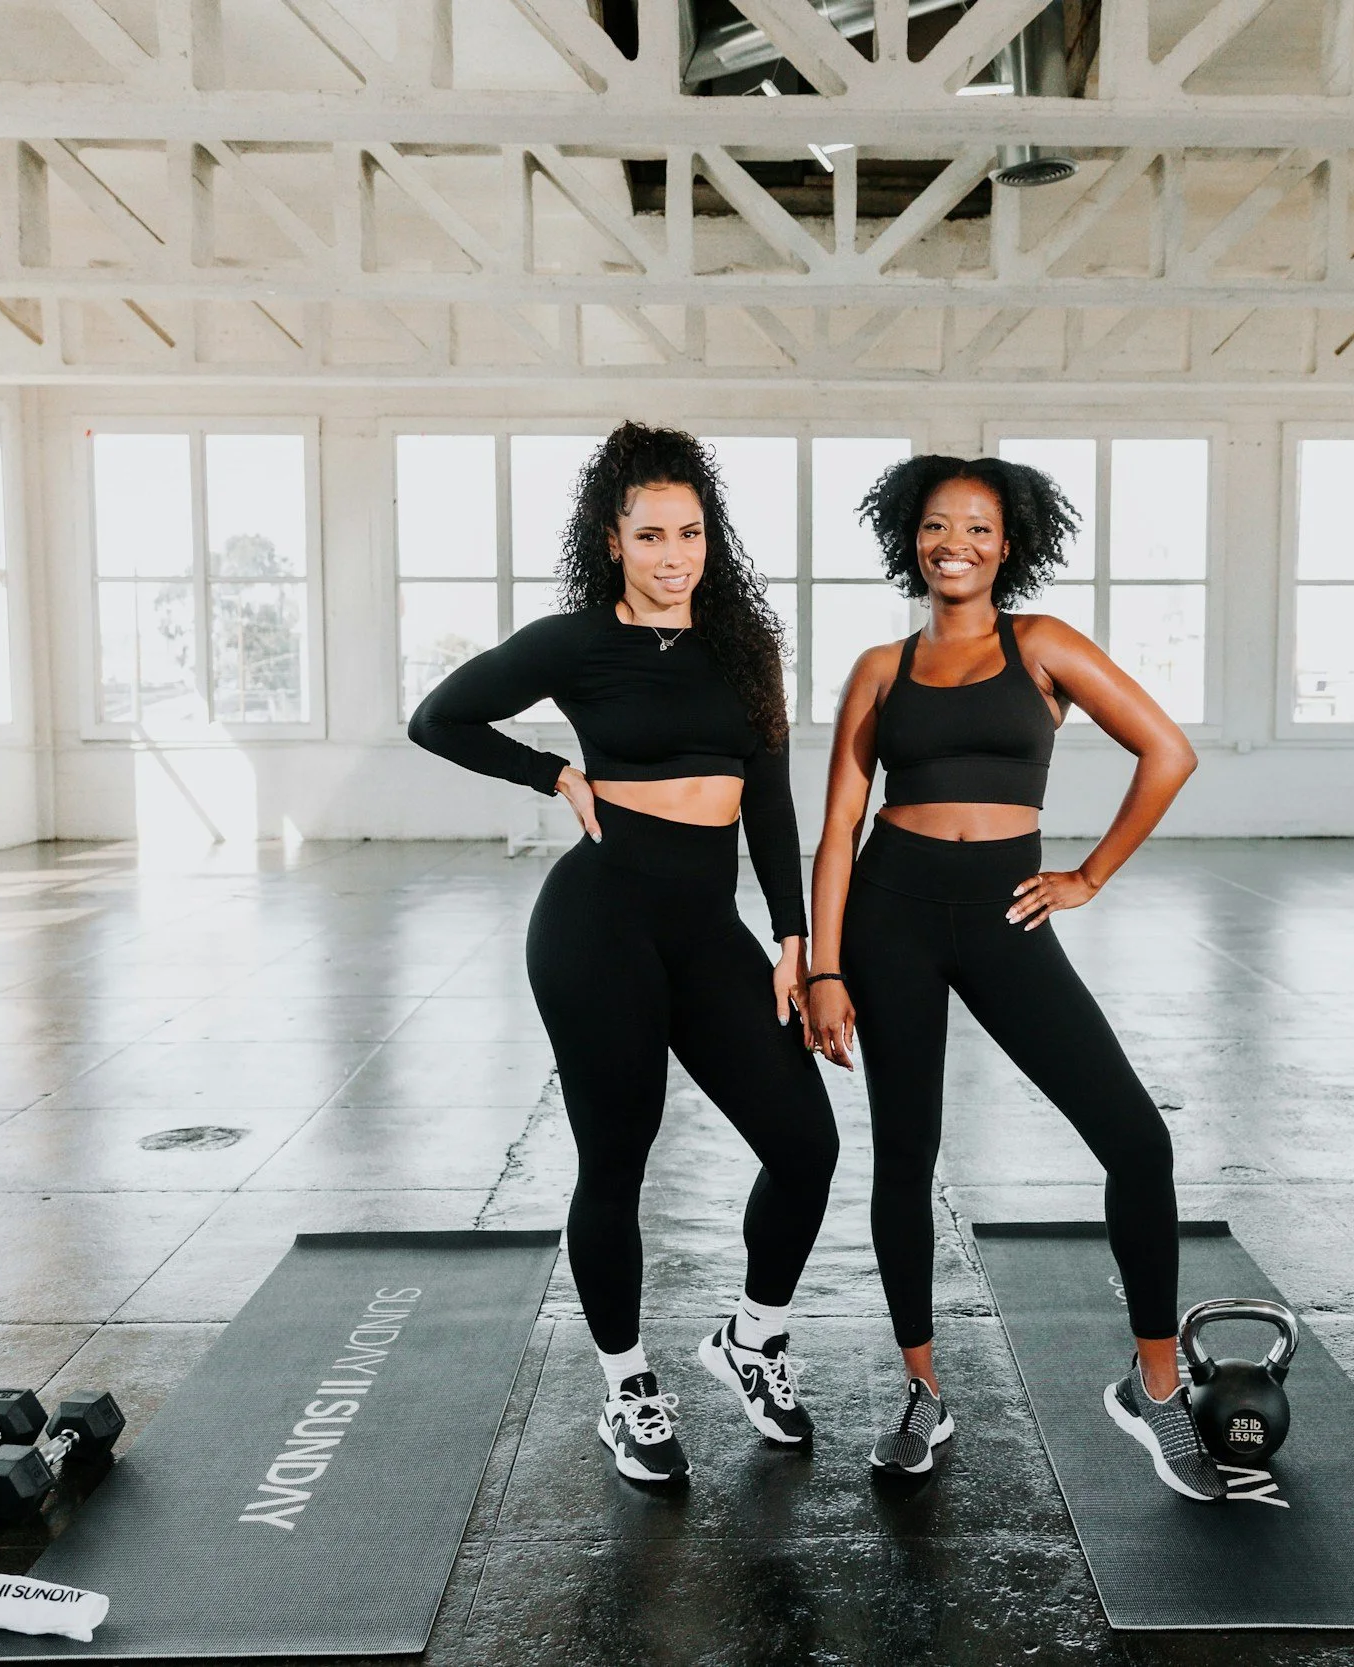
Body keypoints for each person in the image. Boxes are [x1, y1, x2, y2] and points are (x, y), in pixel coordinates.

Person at [410, 422, 837, 1485]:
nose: (673, 554)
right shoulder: (572, 641)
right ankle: (628, 1386)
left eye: (690, 532)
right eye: (650, 534)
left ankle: (751, 1337)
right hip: (595, 928)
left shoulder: (747, 647)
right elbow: (439, 718)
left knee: (805, 1142)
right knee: (617, 1160)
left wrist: (794, 937)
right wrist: (551, 771)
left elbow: (772, 807)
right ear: (612, 540)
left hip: (708, 932)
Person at [803, 454, 1219, 1498]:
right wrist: (824, 965)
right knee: (904, 1155)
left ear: (1008, 543)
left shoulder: (1039, 644)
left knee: (1136, 1138)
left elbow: (1167, 750)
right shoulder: (878, 667)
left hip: (1002, 905)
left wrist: (1087, 873)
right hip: (890, 909)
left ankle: (1156, 1388)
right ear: (911, 536)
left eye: (979, 529)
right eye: (938, 525)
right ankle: (919, 1389)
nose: (957, 543)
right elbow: (839, 827)